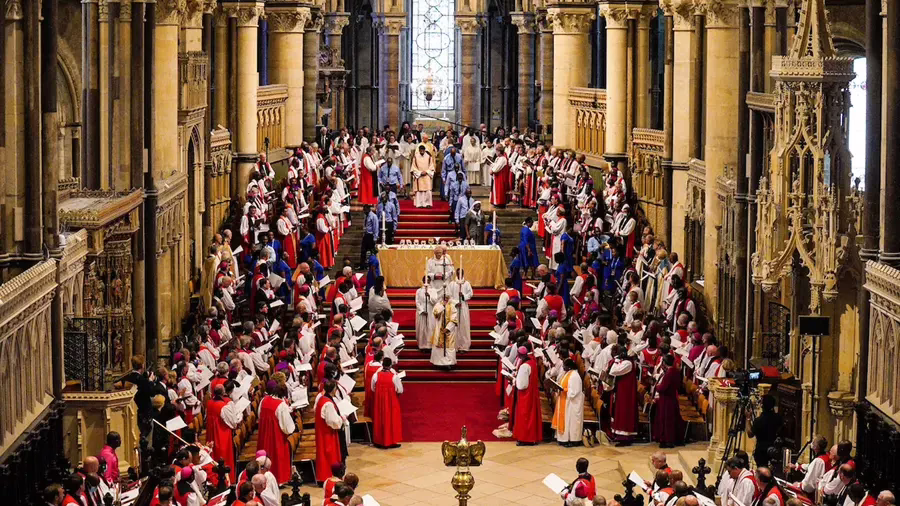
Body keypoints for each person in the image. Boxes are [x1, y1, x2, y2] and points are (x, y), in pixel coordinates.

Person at [257, 381, 296, 483]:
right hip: (276, 436)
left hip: (264, 434)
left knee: (264, 456)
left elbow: (259, 415)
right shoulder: (281, 405)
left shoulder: (263, 400)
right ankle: (279, 479)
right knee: (277, 457)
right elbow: (287, 427)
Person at [205, 384, 241, 481]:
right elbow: (233, 423)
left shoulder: (209, 403)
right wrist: (239, 416)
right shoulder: (223, 406)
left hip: (211, 434)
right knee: (223, 459)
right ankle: (227, 480)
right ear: (223, 393)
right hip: (222, 435)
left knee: (213, 457)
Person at [315, 380, 346, 483]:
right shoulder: (328, 403)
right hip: (328, 433)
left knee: (324, 454)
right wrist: (342, 419)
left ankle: (324, 475)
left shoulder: (321, 399)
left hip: (322, 431)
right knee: (329, 454)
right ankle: (327, 476)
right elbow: (332, 421)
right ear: (334, 390)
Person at [511, 345, 542, 445]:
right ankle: (532, 437)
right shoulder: (532, 362)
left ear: (520, 355)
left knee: (525, 416)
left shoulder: (524, 366)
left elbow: (522, 385)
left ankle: (525, 439)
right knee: (531, 416)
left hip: (526, 395)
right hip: (532, 393)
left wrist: (514, 380)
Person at [652, 354, 684, 448]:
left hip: (666, 399)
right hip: (671, 397)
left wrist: (656, 386)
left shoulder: (669, 373)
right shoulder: (675, 371)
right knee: (671, 419)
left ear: (664, 363)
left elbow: (663, 387)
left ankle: (667, 440)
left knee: (666, 420)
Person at [608, 349, 638, 446]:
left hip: (626, 393)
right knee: (619, 412)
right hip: (622, 390)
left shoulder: (628, 364)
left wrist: (615, 361)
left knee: (624, 413)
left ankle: (624, 437)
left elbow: (613, 371)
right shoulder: (625, 362)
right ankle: (619, 436)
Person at [372, 357, 404, 448]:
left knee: (380, 419)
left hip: (379, 401)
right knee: (391, 420)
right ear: (390, 366)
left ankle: (379, 441)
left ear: (382, 365)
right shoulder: (394, 377)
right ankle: (391, 441)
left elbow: (372, 388)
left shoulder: (376, 375)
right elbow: (400, 390)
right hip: (391, 402)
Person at [552, 359, 584, 447]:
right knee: (567, 421)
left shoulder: (574, 376)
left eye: (564, 366)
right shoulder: (568, 374)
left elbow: (574, 391)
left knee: (571, 423)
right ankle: (564, 439)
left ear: (569, 367)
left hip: (572, 403)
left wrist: (564, 390)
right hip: (566, 400)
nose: (563, 367)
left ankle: (573, 440)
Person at [748, 395, 783, 467]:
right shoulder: (778, 418)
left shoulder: (758, 421)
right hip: (774, 449)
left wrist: (748, 418)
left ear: (762, 406)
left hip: (761, 451)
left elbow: (750, 434)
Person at [447, 268, 473, 352]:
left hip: (463, 307)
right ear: (456, 274)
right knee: (454, 326)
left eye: (461, 273)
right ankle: (454, 345)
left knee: (463, 326)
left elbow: (470, 294)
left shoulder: (467, 284)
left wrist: (463, 296)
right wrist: (455, 302)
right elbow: (448, 296)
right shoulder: (452, 284)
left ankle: (464, 346)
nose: (460, 275)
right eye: (458, 273)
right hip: (454, 308)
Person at [430, 294, 458, 368]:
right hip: (439, 329)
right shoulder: (438, 305)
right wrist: (442, 307)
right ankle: (438, 362)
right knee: (439, 346)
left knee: (449, 346)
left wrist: (448, 328)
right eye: (444, 298)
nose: (445, 299)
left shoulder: (452, 306)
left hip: (449, 331)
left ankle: (448, 363)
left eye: (447, 298)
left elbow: (454, 318)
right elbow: (435, 313)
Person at [415, 277, 438, 350]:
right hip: (422, 311)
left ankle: (429, 345)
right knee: (422, 328)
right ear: (422, 281)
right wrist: (422, 310)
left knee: (430, 327)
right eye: (425, 281)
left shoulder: (433, 290)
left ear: (430, 281)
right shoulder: (419, 291)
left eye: (428, 281)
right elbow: (417, 302)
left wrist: (429, 296)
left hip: (430, 310)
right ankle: (422, 345)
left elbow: (435, 301)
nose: (427, 282)